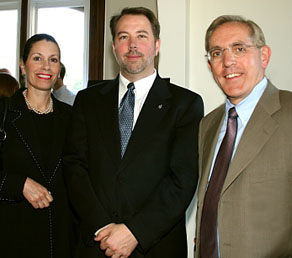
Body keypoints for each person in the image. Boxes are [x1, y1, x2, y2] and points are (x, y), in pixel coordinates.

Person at [64, 6, 203, 258]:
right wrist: (103, 226)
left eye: (142, 35)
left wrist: (134, 232)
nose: (132, 45)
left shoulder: (186, 104)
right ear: (114, 47)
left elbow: (182, 179)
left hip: (155, 245)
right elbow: (74, 166)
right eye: (123, 36)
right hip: (96, 243)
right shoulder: (87, 100)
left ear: (157, 45)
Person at [194, 15, 292, 258]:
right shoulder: (208, 125)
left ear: (264, 56)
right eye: (217, 53)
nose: (228, 61)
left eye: (239, 48)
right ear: (210, 65)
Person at [0, 33, 73, 258]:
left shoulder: (72, 117)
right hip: (12, 234)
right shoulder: (3, 112)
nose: (46, 66)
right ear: (23, 66)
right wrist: (17, 183)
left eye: (53, 60)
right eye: (37, 58)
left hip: (61, 238)